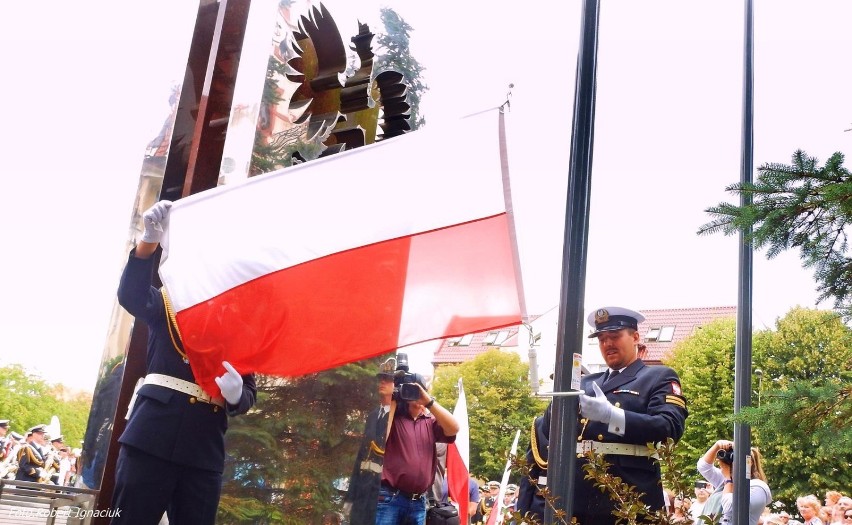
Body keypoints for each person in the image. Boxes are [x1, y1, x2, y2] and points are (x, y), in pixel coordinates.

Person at [110, 200, 257, 525]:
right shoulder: (170, 303)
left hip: (203, 451)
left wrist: (235, 396)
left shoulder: (242, 330)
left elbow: (248, 393)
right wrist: (147, 241)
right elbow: (132, 296)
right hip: (152, 438)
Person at [568, 306, 689, 524]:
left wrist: (612, 415)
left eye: (614, 336)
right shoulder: (586, 382)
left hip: (629, 496)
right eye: (602, 339)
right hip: (580, 496)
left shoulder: (658, 377)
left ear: (635, 337)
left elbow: (669, 428)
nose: (608, 344)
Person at [375, 370, 459, 525]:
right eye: (411, 390)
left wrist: (429, 402)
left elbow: (453, 428)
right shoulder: (393, 417)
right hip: (389, 498)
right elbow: (379, 440)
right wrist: (392, 398)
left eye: (420, 390)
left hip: (418, 501)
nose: (416, 394)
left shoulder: (429, 421)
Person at [343, 359, 394, 525]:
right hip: (362, 494)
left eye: (388, 378)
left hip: (383, 496)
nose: (382, 382)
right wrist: (351, 497)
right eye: (381, 378)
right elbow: (361, 458)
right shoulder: (372, 415)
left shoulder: (398, 418)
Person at [697, 439, 771, 525]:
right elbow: (703, 467)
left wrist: (728, 478)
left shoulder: (759, 487)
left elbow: (730, 507)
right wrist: (717, 446)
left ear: (749, 463)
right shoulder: (725, 481)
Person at [515, 403, 551, 523]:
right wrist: (521, 517)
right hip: (542, 505)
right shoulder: (540, 424)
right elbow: (529, 474)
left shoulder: (589, 423)